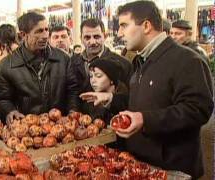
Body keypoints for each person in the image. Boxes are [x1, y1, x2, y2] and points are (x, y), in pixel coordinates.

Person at [116, 1, 213, 178]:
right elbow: (145, 101)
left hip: (172, 168)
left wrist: (145, 119)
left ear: (146, 25)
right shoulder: (141, 59)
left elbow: (198, 109)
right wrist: (110, 99)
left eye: (124, 25)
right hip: (141, 165)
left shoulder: (188, 60)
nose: (119, 33)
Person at [0, 12, 79, 123]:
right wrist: (10, 111)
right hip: (27, 131)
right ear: (23, 35)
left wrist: (72, 111)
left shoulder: (63, 59)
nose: (45, 36)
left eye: (46, 29)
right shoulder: (7, 66)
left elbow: (73, 90)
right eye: (39, 31)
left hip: (60, 128)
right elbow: (2, 99)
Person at [71, 18, 132, 120]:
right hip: (79, 126)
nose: (92, 41)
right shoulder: (72, 62)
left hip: (112, 126)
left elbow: (132, 100)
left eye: (97, 36)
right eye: (87, 37)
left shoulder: (122, 64)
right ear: (81, 38)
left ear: (105, 36)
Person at [80, 58, 128, 123]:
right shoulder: (89, 99)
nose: (93, 81)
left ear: (111, 79)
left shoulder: (125, 100)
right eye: (91, 76)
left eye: (98, 76)